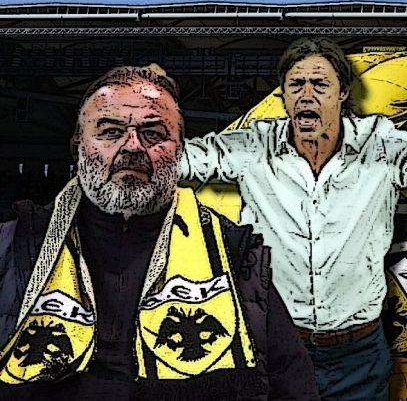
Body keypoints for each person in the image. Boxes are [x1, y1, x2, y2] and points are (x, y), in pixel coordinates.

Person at [180, 37, 407, 400]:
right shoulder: (253, 148)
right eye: (296, 85)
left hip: (359, 356)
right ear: (283, 96)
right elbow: (178, 162)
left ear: (343, 94)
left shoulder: (382, 147)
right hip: (276, 347)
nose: (306, 95)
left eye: (320, 84)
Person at [0, 65, 319, 400]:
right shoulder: (14, 246)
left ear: (179, 150)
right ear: (79, 146)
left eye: (153, 133)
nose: (132, 147)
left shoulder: (235, 256)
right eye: (110, 131)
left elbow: (294, 387)